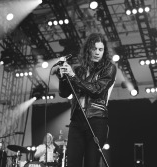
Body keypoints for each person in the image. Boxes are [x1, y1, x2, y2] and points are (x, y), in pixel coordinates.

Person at [53, 32, 117, 167]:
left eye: (101, 49)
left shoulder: (109, 68)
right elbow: (64, 93)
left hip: (96, 120)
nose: (97, 52)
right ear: (88, 49)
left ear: (104, 51)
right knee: (72, 163)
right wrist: (63, 76)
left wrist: (72, 76)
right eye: (94, 49)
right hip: (76, 121)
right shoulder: (79, 70)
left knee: (91, 163)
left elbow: (96, 90)